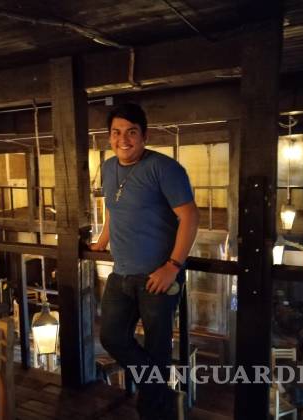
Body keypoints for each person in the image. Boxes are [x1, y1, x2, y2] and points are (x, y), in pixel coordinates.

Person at [90, 103, 199, 419]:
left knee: (157, 349)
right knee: (111, 337)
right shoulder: (108, 168)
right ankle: (161, 393)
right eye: (116, 133)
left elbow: (190, 217)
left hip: (158, 276)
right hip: (121, 273)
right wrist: (102, 241)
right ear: (109, 136)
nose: (123, 140)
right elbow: (114, 208)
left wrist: (173, 267)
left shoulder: (165, 168)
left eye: (131, 132)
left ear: (144, 135)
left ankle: (153, 410)